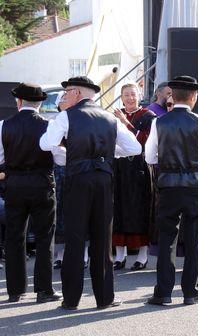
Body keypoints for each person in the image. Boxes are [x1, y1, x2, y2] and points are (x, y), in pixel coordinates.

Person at [39, 76, 142, 310]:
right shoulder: (110, 118)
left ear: (76, 93)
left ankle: (71, 300)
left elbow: (46, 143)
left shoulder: (67, 116)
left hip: (78, 178)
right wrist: (108, 152)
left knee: (76, 239)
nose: (64, 97)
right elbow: (135, 148)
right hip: (104, 178)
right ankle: (105, 298)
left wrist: (72, 148)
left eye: (66, 93)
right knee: (102, 239)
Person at [145, 75, 198, 306]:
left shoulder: (159, 122)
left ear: (171, 96)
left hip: (168, 186)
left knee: (167, 239)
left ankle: (163, 293)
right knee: (194, 239)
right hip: (196, 187)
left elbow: (149, 156)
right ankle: (191, 293)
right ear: (194, 97)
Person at [0, 83, 65, 303]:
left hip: (15, 183)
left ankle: (15, 290)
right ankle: (44, 290)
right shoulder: (49, 125)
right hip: (42, 183)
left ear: (18, 102)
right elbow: (59, 158)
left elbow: (0, 158)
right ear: (39, 104)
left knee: (14, 236)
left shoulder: (3, 126)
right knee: (45, 236)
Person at [112, 83, 155, 271]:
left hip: (139, 168)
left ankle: (142, 255)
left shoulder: (147, 116)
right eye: (126, 95)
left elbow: (144, 140)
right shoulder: (114, 115)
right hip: (119, 167)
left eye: (133, 94)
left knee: (140, 210)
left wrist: (125, 123)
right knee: (118, 208)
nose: (130, 98)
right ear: (121, 97)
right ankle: (119, 256)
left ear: (139, 96)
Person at [52, 91, 89, 270]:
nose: (65, 102)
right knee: (61, 212)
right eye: (62, 101)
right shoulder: (55, 121)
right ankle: (60, 254)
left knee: (80, 210)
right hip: (60, 170)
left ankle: (83, 253)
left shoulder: (81, 119)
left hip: (77, 168)